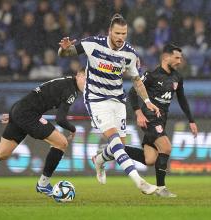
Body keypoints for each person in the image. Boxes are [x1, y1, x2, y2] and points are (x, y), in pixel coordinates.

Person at [58, 13, 160, 195]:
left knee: (118, 148)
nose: (121, 37)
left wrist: (147, 101)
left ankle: (98, 160)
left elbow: (136, 80)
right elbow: (66, 52)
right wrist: (63, 49)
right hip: (96, 99)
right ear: (109, 32)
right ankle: (140, 182)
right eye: (117, 33)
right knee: (115, 142)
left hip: (118, 101)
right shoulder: (93, 43)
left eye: (124, 34)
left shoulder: (129, 54)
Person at [0, 69, 86, 199]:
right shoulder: (71, 91)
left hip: (20, 109)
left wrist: (15, 114)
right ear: (78, 75)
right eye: (85, 78)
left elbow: (39, 97)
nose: (87, 83)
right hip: (28, 114)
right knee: (61, 142)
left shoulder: (65, 82)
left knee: (2, 153)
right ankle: (43, 184)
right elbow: (60, 119)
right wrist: (72, 129)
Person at [124, 44, 198, 197]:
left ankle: (114, 149)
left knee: (150, 159)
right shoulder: (151, 75)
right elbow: (132, 93)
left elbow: (182, 99)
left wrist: (191, 120)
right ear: (166, 57)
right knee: (166, 147)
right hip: (149, 118)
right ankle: (161, 189)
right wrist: (139, 113)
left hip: (161, 119)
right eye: (176, 57)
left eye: (180, 58)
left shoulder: (177, 77)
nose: (179, 61)